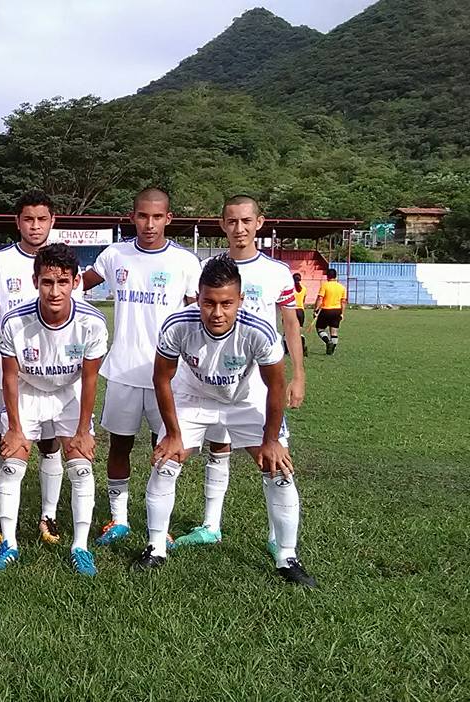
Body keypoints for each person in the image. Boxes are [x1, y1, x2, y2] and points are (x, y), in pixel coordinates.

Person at [136, 255, 316, 587]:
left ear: (241, 300)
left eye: (226, 303)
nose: (217, 312)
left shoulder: (259, 331)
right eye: (209, 303)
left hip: (245, 400)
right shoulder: (177, 325)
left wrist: (271, 440)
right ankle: (156, 547)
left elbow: (276, 386)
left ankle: (287, 556)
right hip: (193, 397)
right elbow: (162, 379)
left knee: (279, 470)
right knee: (166, 463)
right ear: (198, 298)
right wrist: (173, 434)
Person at [173, 195, 306, 554]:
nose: (239, 228)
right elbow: (194, 320)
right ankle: (210, 525)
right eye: (232, 221)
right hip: (214, 378)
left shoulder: (276, 272)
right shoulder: (208, 268)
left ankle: (279, 539)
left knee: (273, 456)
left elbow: (290, 325)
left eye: (246, 221)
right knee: (218, 447)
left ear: (259, 223)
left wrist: (298, 375)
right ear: (223, 225)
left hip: (258, 382)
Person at [80, 187, 200, 546]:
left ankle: (157, 523)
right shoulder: (115, 254)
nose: (149, 224)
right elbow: (77, 285)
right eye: (143, 216)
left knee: (164, 448)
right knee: (120, 446)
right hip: (123, 371)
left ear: (168, 218)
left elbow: (197, 315)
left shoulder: (185, 262)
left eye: (157, 216)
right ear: (132, 217)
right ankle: (118, 519)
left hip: (169, 374)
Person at [0, 244, 109, 576]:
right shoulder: (14, 321)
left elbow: (89, 380)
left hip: (68, 393)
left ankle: (80, 547)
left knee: (81, 467)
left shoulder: (92, 322)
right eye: (47, 282)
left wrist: (83, 431)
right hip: (27, 391)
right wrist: (15, 429)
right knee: (11, 464)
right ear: (35, 282)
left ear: (75, 283)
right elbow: (9, 377)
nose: (54, 291)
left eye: (63, 282)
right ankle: (9, 543)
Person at [0, 190, 80, 546]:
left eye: (42, 219)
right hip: (9, 371)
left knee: (50, 443)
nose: (35, 226)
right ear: (17, 222)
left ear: (53, 221)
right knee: (9, 440)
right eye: (28, 219)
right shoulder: (0, 262)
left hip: (54, 374)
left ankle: (47, 515)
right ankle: (3, 518)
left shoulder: (63, 263)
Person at [314, 268, 347, 355]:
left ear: (327, 276)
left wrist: (316, 310)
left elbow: (320, 298)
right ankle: (331, 351)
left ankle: (328, 342)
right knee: (334, 332)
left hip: (326, 310)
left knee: (320, 329)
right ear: (336, 276)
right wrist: (342, 313)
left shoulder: (325, 286)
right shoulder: (342, 287)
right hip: (337, 311)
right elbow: (343, 301)